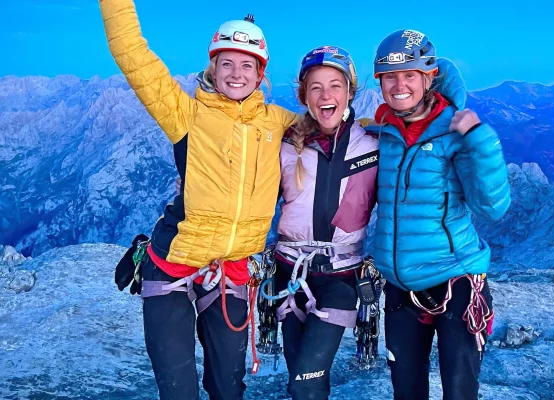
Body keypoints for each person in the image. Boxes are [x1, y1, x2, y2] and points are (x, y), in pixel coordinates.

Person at [99, 1, 300, 399]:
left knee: (229, 387)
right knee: (179, 390)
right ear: (212, 68)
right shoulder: (185, 114)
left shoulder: (278, 124)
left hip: (230, 273)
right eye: (226, 64)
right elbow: (134, 57)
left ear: (261, 73)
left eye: (247, 65)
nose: (236, 74)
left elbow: (333, 129)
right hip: (171, 267)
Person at [367, 29, 511, 400]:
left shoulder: (454, 130)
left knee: (460, 392)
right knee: (406, 391)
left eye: (410, 75)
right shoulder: (381, 132)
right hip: (400, 285)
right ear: (380, 82)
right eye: (390, 77)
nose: (400, 85)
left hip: (456, 281)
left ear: (428, 78)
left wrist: (478, 136)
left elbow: (493, 208)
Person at [263, 46, 379, 400]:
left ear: (349, 92)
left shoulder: (375, 145)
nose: (325, 95)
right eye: (315, 87)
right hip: (288, 276)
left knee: (307, 380)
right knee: (301, 382)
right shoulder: (284, 145)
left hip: (341, 279)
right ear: (303, 96)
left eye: (334, 86)